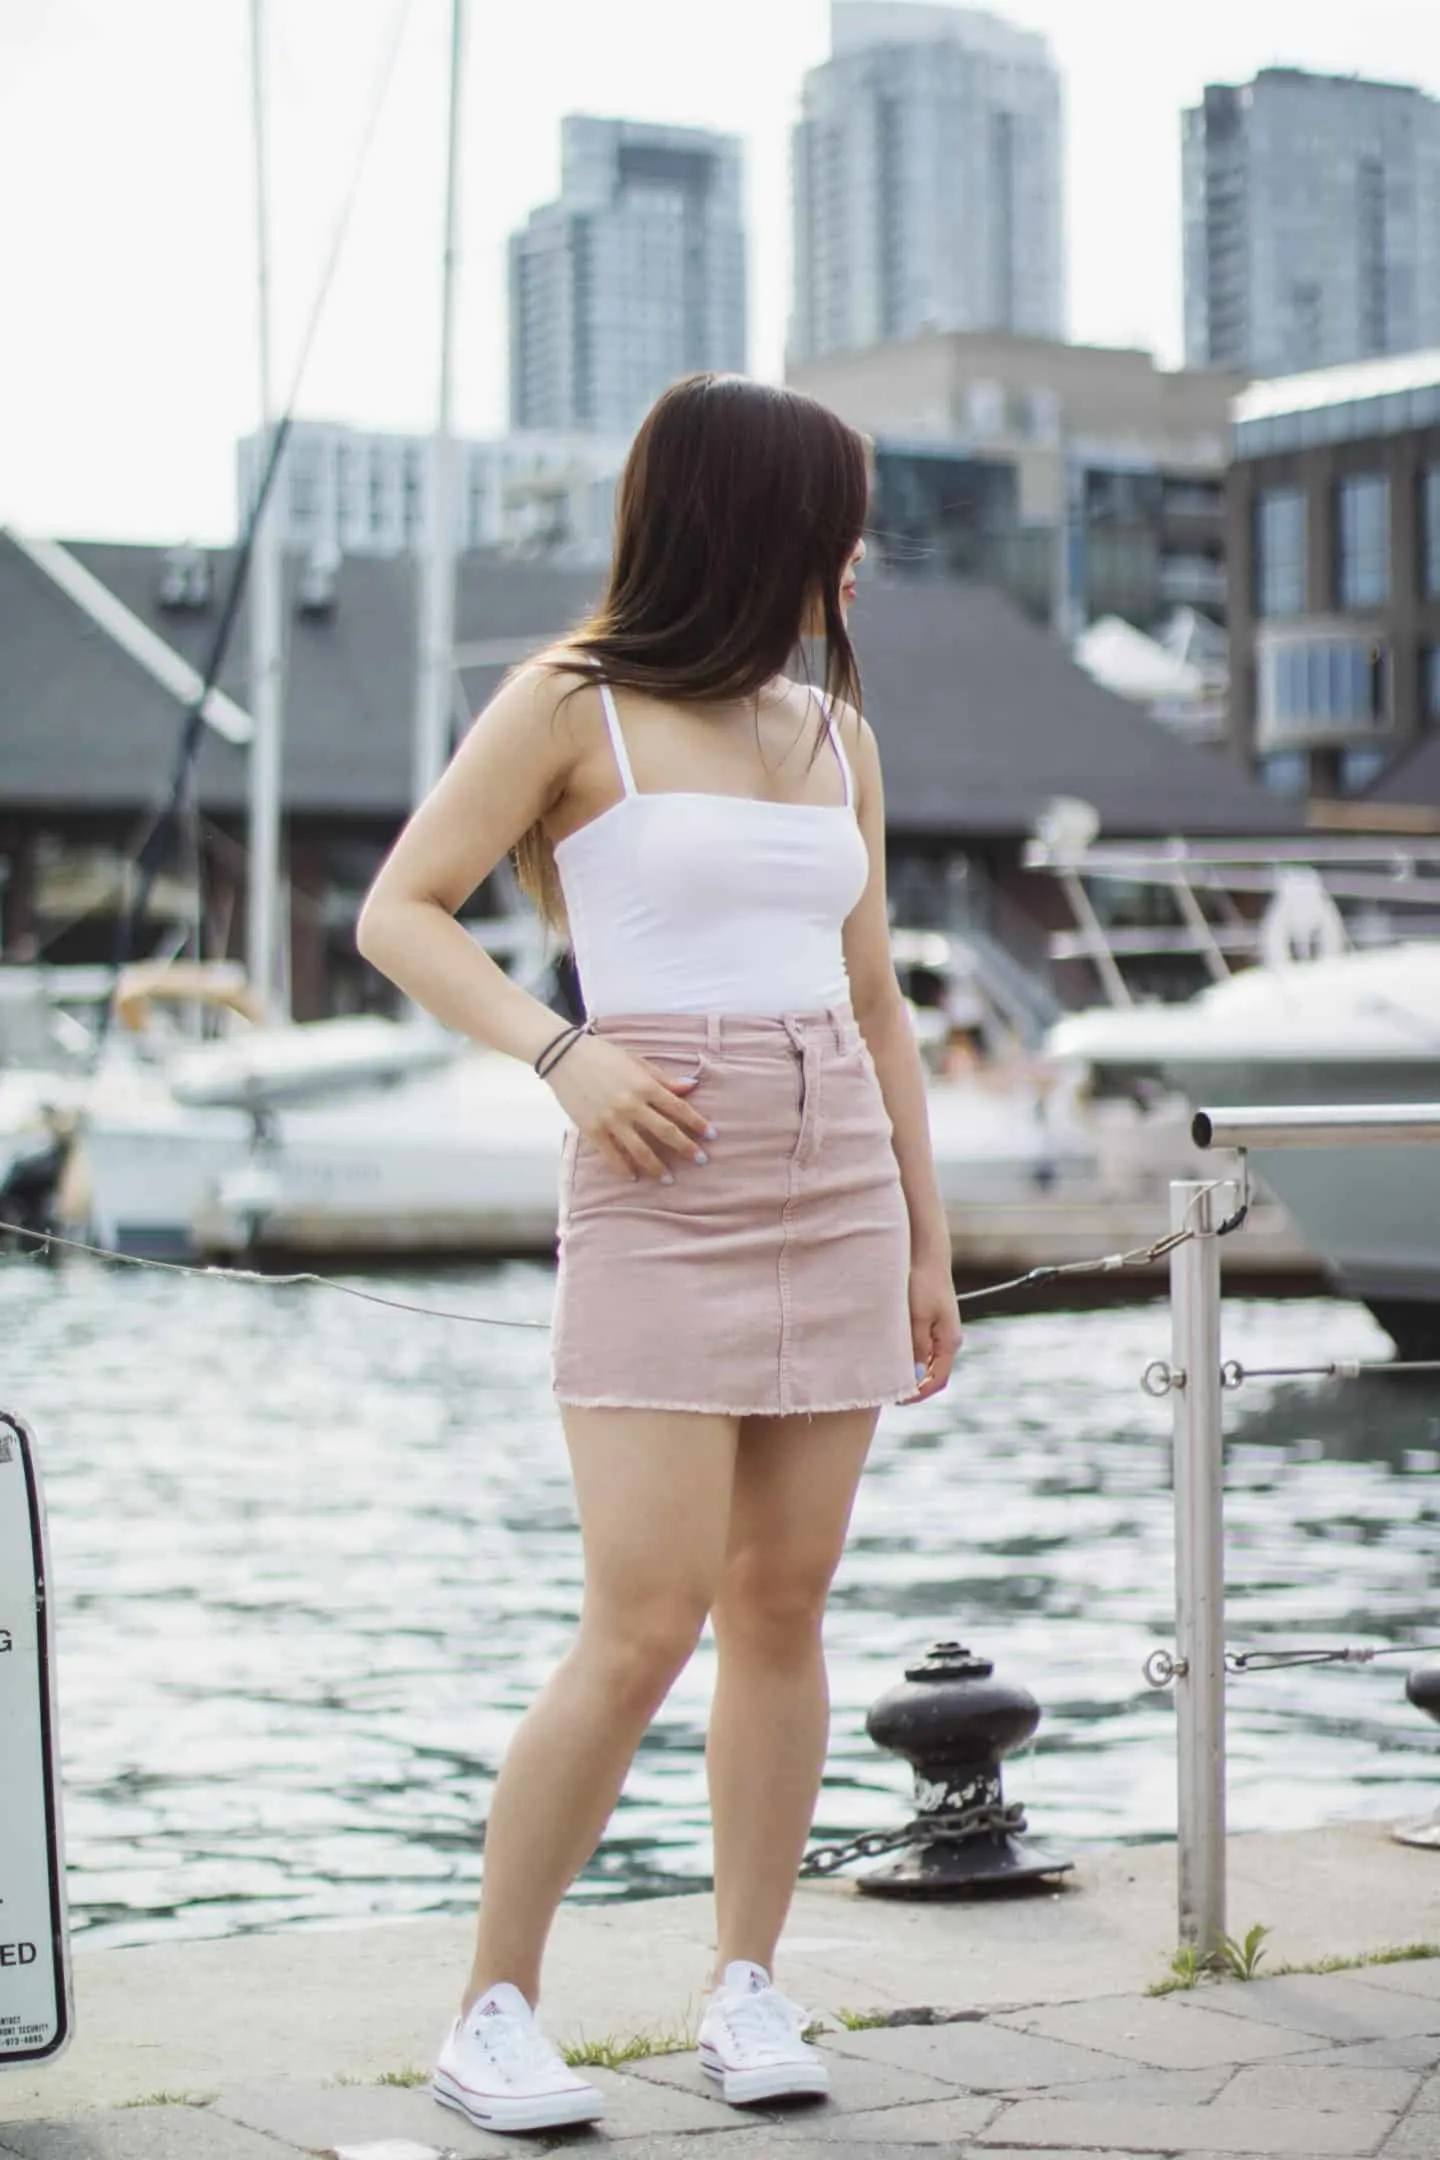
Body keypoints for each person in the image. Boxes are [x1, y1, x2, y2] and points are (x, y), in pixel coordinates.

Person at [356, 373, 962, 2138]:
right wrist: (563, 1052)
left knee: (783, 1607)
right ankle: (491, 2011)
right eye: (833, 517)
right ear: (751, 517)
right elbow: (406, 910)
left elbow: (878, 1006)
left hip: (836, 1167)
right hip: (659, 1169)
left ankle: (746, 1982)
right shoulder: (573, 702)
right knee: (641, 1621)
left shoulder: (835, 731)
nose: (854, 554)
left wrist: (929, 1242)